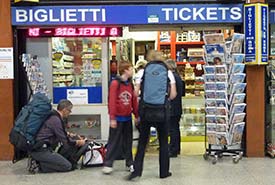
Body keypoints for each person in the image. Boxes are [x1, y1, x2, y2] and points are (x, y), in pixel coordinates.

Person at [128, 50, 177, 180]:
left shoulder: (142, 72)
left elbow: (135, 93)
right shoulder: (168, 72)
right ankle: (164, 172)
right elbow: (173, 95)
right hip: (162, 111)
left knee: (142, 143)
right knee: (163, 143)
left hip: (146, 111)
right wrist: (163, 99)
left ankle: (137, 171)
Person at [29, 99, 86, 173]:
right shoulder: (56, 120)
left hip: (41, 148)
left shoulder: (53, 116)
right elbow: (66, 142)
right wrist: (78, 142)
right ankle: (41, 165)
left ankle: (44, 161)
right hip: (41, 150)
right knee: (67, 166)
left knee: (71, 140)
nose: (70, 113)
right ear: (65, 110)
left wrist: (69, 134)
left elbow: (57, 133)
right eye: (69, 110)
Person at [102, 60, 139, 174]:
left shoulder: (130, 84)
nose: (133, 71)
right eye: (131, 68)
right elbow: (112, 101)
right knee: (114, 141)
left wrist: (136, 115)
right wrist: (112, 117)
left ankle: (129, 163)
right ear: (126, 70)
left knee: (128, 142)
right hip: (117, 118)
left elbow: (133, 100)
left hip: (127, 118)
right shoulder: (115, 84)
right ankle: (108, 163)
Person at [165, 59, 185, 158]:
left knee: (172, 129)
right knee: (175, 128)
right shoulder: (178, 77)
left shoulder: (171, 78)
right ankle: (176, 148)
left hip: (172, 107)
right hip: (177, 107)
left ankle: (173, 149)